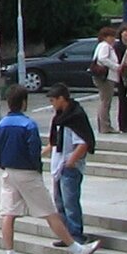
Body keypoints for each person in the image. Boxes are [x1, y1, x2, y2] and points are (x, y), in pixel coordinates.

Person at [0, 87, 100, 254]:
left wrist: (5, 165)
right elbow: (33, 152)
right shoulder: (28, 125)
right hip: (28, 173)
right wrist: (37, 169)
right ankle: (77, 249)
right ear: (24, 102)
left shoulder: (1, 125)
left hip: (9, 172)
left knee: (8, 214)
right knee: (49, 212)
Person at [46, 84, 95, 245]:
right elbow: (53, 142)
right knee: (60, 203)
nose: (52, 104)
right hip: (58, 165)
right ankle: (66, 235)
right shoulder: (59, 118)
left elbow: (84, 142)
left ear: (61, 99)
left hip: (69, 167)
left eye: (53, 100)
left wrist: (71, 161)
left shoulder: (75, 117)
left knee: (70, 202)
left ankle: (76, 235)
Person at [91, 25, 123, 133]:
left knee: (104, 101)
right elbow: (103, 59)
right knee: (106, 102)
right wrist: (116, 67)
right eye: (111, 36)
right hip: (106, 77)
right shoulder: (105, 46)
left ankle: (103, 125)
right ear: (105, 37)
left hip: (102, 76)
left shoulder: (100, 46)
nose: (113, 39)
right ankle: (105, 126)